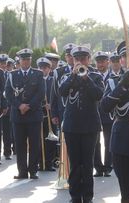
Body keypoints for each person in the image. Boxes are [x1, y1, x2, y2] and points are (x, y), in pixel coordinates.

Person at [59, 46, 104, 203]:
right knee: (75, 163)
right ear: (72, 59)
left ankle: (88, 196)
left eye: (83, 58)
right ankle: (75, 196)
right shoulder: (66, 76)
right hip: (72, 126)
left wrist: (86, 78)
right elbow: (62, 92)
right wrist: (73, 76)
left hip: (89, 126)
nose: (80, 62)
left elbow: (98, 94)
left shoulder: (96, 76)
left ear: (88, 59)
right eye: (77, 59)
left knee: (87, 162)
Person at [101, 39, 129, 203]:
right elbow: (104, 106)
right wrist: (122, 86)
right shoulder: (113, 81)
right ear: (121, 60)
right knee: (127, 193)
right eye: (125, 55)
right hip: (122, 141)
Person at [5, 48, 45, 179]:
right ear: (19, 61)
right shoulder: (12, 75)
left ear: (30, 60)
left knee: (34, 144)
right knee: (20, 145)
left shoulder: (38, 74)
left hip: (33, 114)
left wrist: (28, 106)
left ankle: (33, 170)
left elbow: (41, 93)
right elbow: (9, 94)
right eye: (23, 59)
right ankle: (22, 171)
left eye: (28, 59)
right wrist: (19, 105)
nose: (25, 62)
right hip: (18, 115)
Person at [92, 51, 113, 177]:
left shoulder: (113, 76)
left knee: (108, 141)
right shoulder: (91, 75)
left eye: (103, 61)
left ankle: (108, 166)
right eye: (98, 62)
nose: (100, 64)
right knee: (95, 142)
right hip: (94, 113)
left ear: (107, 62)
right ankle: (98, 167)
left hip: (108, 114)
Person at [36, 57, 57, 171]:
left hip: (50, 113)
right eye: (41, 67)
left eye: (45, 68)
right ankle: (41, 162)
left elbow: (56, 96)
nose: (43, 70)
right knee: (39, 139)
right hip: (38, 112)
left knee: (51, 139)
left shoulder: (53, 80)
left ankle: (49, 162)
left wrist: (51, 105)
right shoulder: (35, 79)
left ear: (49, 69)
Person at [0, 53, 12, 160]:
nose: (3, 65)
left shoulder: (10, 75)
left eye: (5, 63)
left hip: (9, 106)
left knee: (7, 131)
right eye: (1, 63)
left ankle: (7, 152)